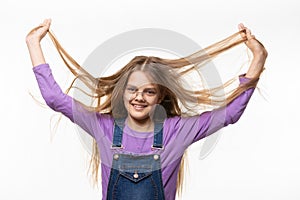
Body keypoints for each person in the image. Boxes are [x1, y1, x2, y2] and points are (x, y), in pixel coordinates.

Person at [26, 19, 267, 200]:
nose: (139, 97)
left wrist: (258, 57)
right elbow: (54, 98)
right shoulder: (103, 127)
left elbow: (231, 113)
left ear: (160, 95)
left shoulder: (178, 130)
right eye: (132, 90)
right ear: (123, 92)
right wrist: (33, 43)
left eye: (149, 91)